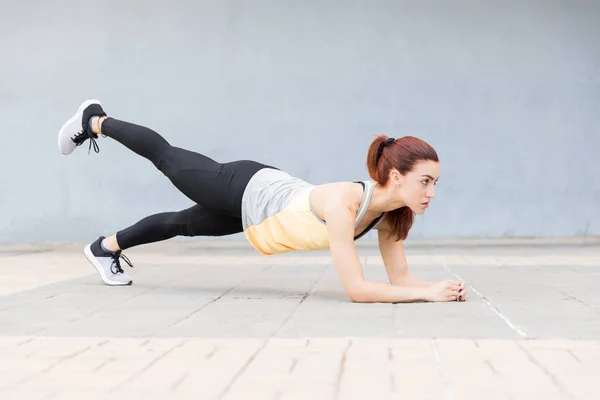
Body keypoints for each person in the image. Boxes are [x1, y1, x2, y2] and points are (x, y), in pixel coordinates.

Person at [57, 99, 467, 303]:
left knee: (183, 224)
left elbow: (399, 281)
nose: (431, 193)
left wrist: (438, 288)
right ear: (396, 176)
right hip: (246, 185)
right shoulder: (346, 203)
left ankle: (104, 247)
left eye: (435, 183)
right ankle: (94, 120)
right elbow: (357, 289)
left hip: (258, 213)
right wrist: (427, 296)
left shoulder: (391, 217)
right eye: (425, 182)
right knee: (166, 157)